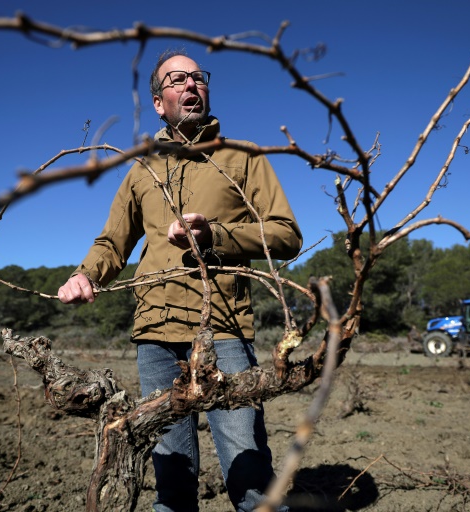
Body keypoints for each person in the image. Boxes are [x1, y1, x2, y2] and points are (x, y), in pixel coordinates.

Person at [58, 49, 302, 512]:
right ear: (158, 101)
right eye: (177, 80)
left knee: (249, 475)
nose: (191, 85)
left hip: (223, 328)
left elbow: (286, 234)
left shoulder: (243, 157)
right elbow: (112, 242)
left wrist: (217, 234)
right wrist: (84, 274)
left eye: (198, 78)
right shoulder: (141, 170)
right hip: (155, 334)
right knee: (171, 476)